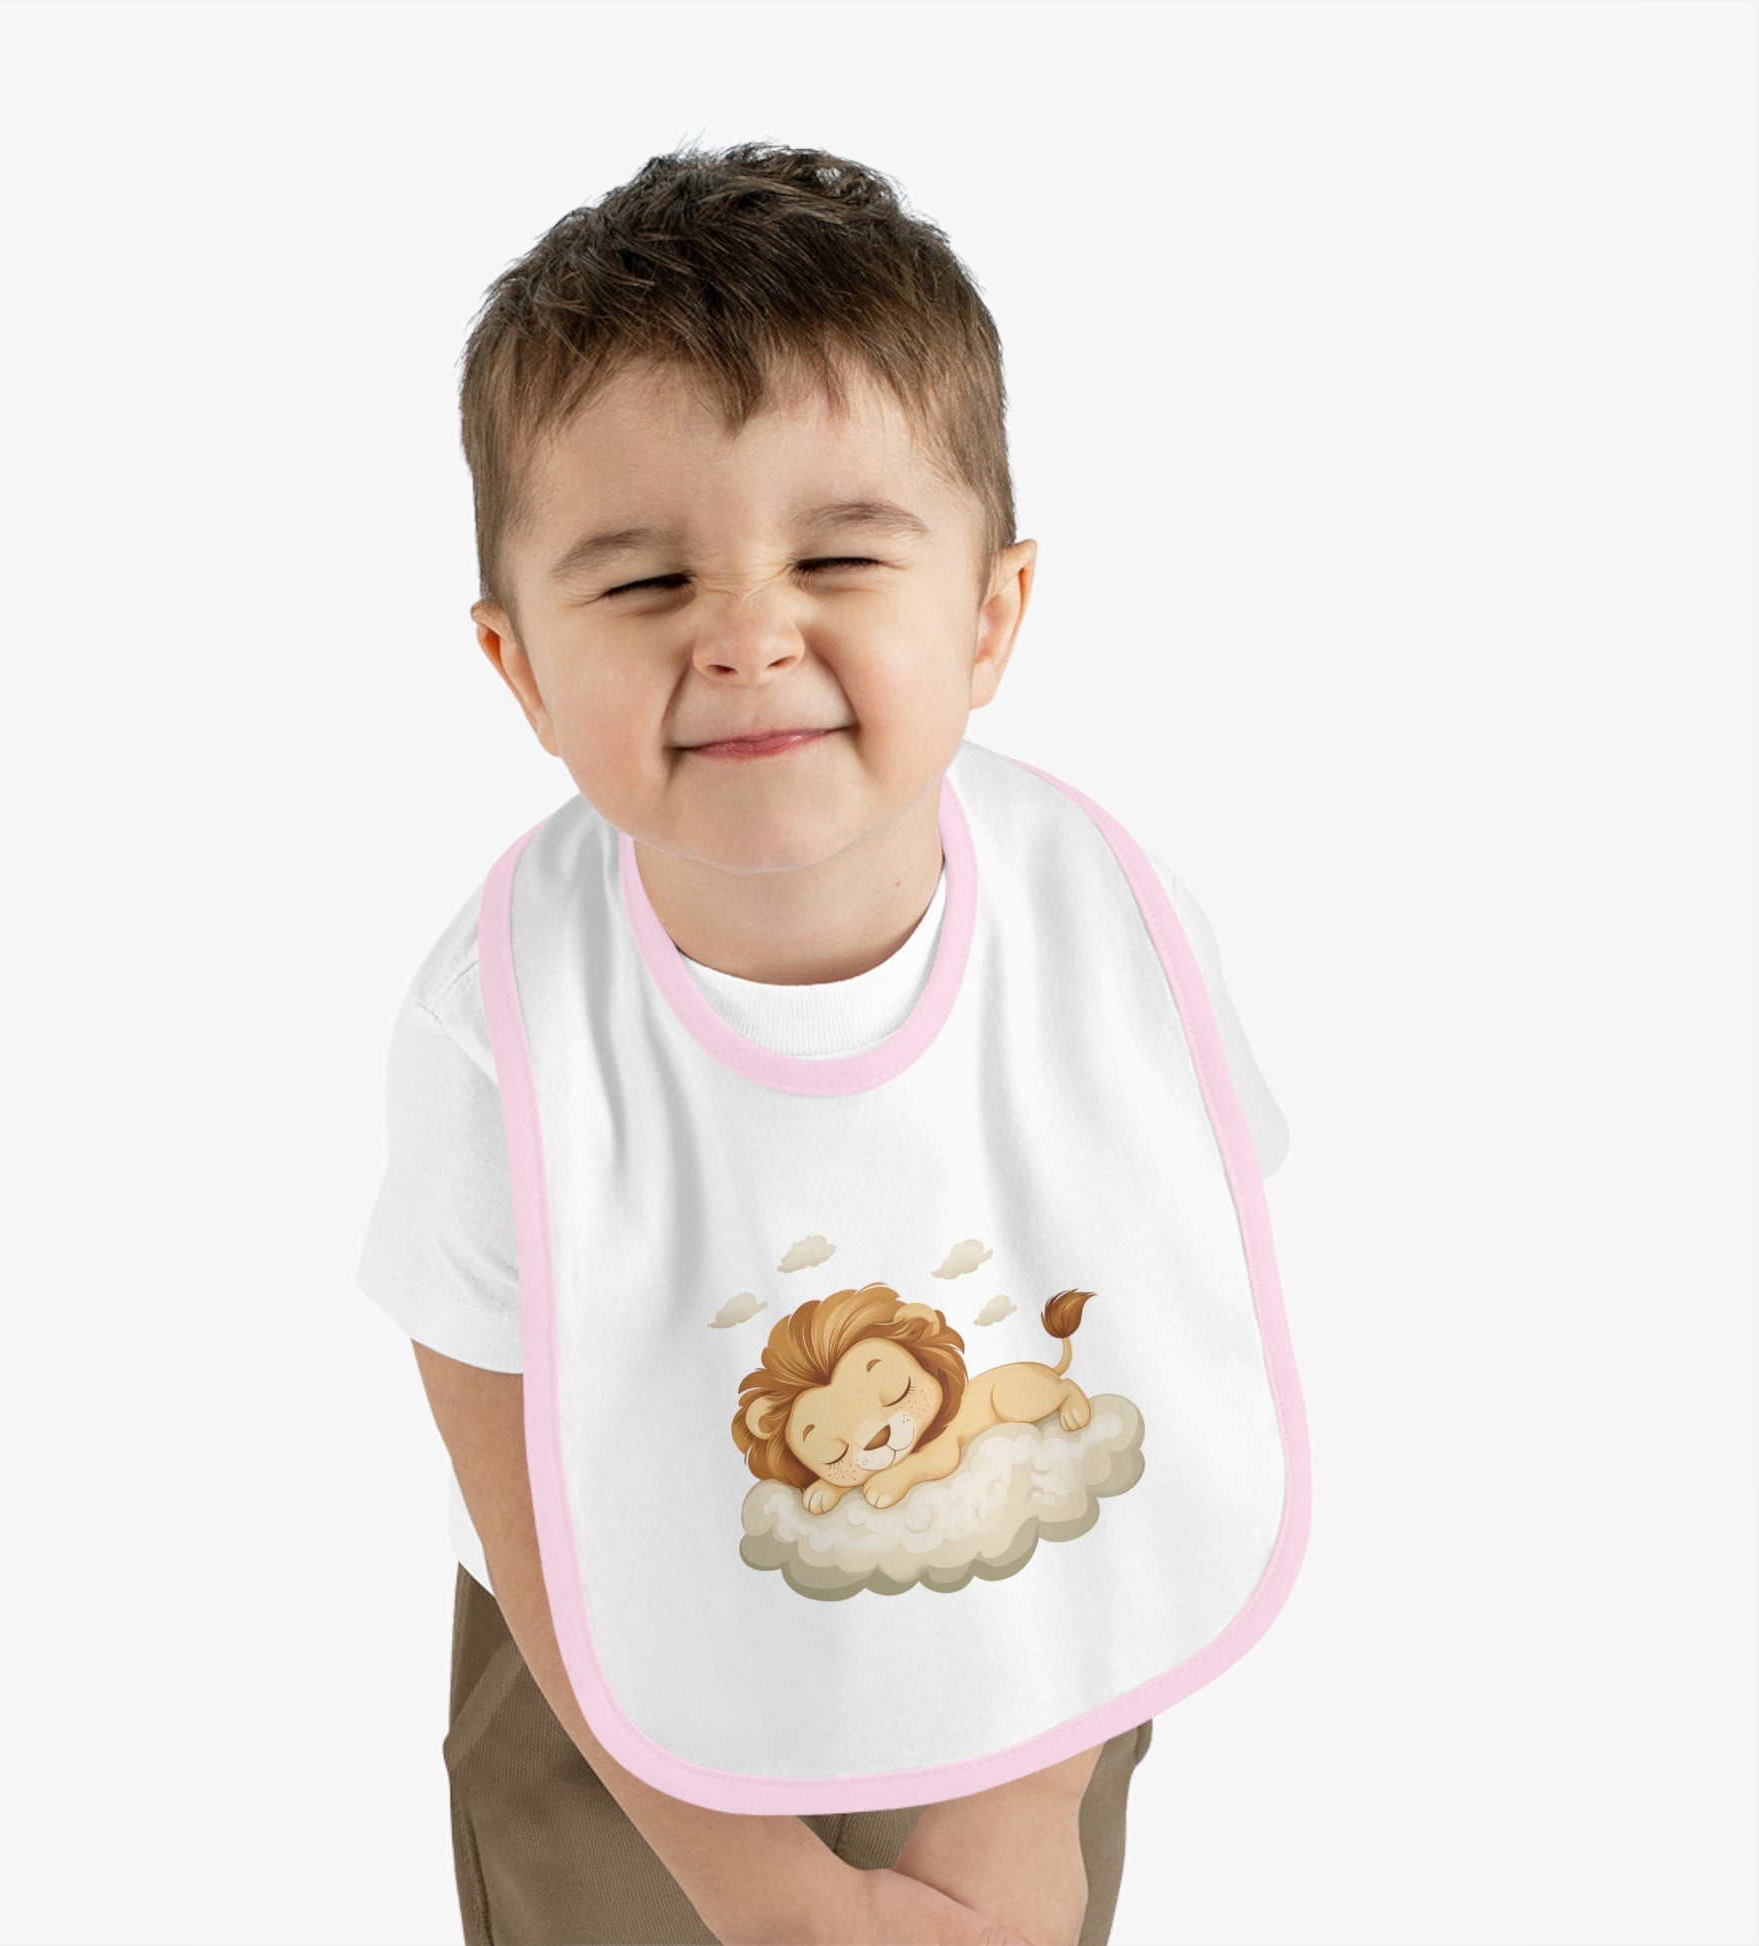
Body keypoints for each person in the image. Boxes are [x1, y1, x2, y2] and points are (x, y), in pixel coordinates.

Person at [357, 140, 1297, 1946]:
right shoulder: (500, 1012)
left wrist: (1022, 1801)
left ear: (990, 613)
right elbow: (510, 1459)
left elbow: (1173, 1329)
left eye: (841, 552)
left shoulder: (1102, 917)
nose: (743, 636)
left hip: (1035, 1645)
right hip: (618, 1707)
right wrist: (762, 1884)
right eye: (640, 588)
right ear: (520, 667)